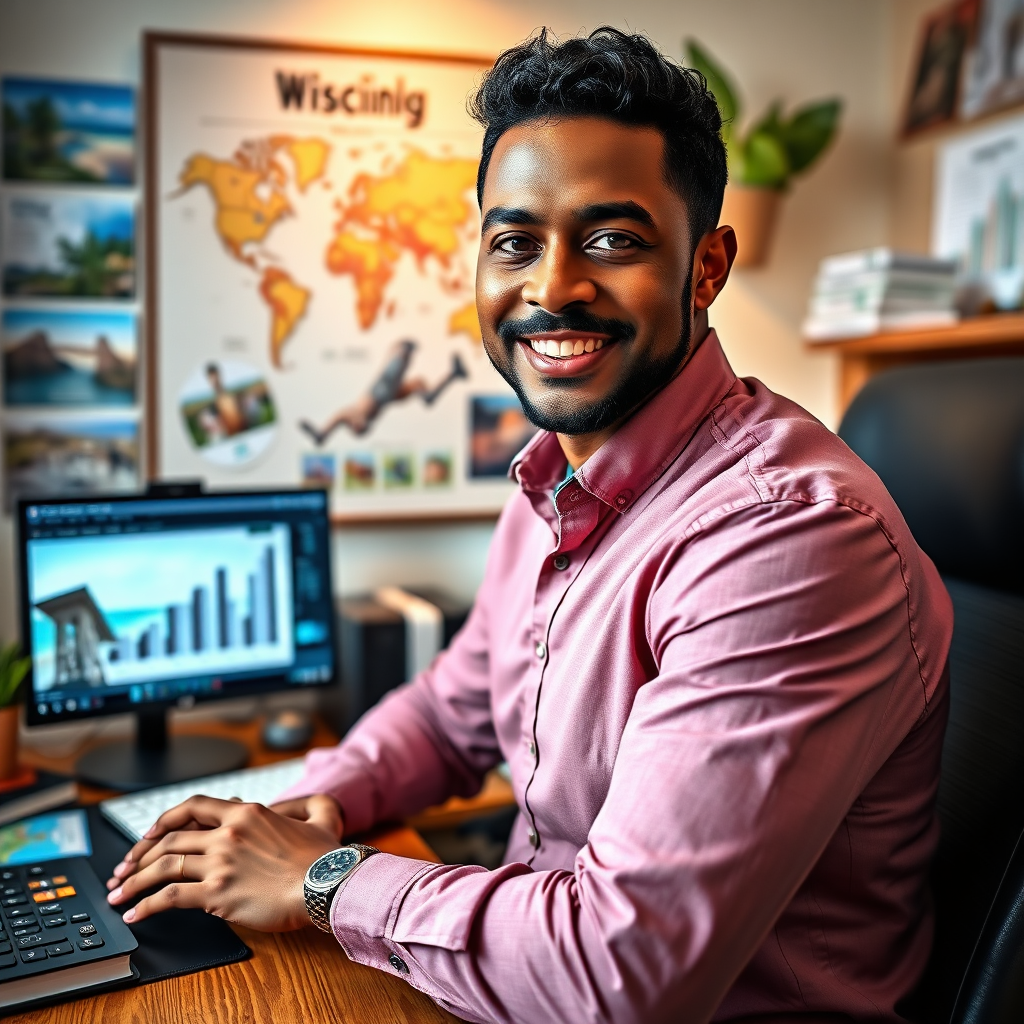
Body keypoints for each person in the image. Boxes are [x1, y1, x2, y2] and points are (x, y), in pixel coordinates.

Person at [105, 28, 952, 1024]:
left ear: (706, 265)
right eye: (514, 241)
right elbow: (451, 707)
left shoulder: (786, 540)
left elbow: (620, 971)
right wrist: (325, 799)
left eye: (611, 239)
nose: (550, 286)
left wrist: (323, 879)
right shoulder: (556, 477)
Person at [299, 340, 468, 443]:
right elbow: (392, 375)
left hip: (382, 397)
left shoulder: (353, 414)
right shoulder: (355, 414)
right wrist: (404, 353)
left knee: (417, 385)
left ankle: (453, 374)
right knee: (400, 378)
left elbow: (393, 376)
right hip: (380, 396)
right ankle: (450, 373)